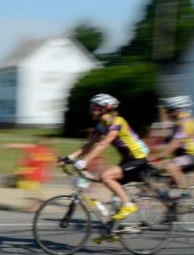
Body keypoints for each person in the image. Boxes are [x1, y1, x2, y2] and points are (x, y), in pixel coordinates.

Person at [61, 93, 150, 221]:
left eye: (95, 107)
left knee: (106, 176)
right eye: (92, 106)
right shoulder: (100, 126)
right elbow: (89, 145)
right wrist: (69, 157)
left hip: (138, 159)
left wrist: (84, 162)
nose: (92, 109)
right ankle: (115, 227)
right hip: (127, 160)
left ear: (105, 108)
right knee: (112, 188)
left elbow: (103, 144)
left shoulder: (117, 122)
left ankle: (128, 205)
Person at [147, 95, 194, 199]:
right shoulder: (181, 120)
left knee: (171, 165)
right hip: (186, 154)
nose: (167, 114)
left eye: (169, 111)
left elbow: (175, 144)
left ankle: (186, 196)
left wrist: (158, 157)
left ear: (177, 110)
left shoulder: (185, 123)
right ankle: (172, 208)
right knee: (171, 185)